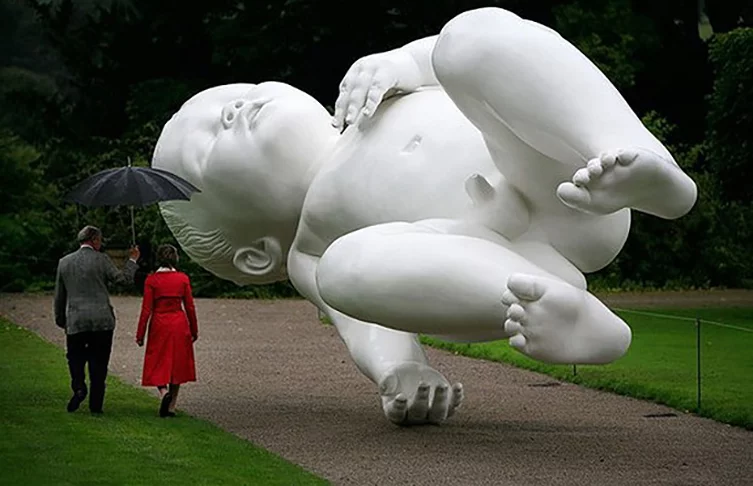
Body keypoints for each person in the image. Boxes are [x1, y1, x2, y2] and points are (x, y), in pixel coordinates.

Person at [150, 7, 697, 426]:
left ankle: (634, 160)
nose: (232, 111)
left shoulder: (372, 89)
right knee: (346, 271)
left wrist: (405, 61)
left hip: (560, 179)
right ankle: (563, 310)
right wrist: (400, 370)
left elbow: (473, 68)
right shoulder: (307, 248)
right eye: (210, 143)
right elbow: (366, 322)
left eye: (234, 97)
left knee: (468, 37)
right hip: (501, 259)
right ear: (255, 253)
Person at [54, 225, 140, 414]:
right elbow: (123, 280)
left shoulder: (64, 262)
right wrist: (132, 259)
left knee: (75, 358)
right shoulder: (102, 260)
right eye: (100, 240)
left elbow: (59, 296)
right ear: (93, 240)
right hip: (102, 320)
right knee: (99, 362)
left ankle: (78, 387)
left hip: (76, 320)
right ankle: (96, 405)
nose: (101, 244)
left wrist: (61, 320)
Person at [135, 244, 198, 417]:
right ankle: (172, 406)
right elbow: (190, 306)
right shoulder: (182, 279)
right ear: (175, 259)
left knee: (157, 360)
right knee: (177, 363)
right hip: (179, 322)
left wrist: (140, 334)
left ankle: (163, 393)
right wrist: (194, 329)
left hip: (160, 323)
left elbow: (146, 309)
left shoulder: (152, 280)